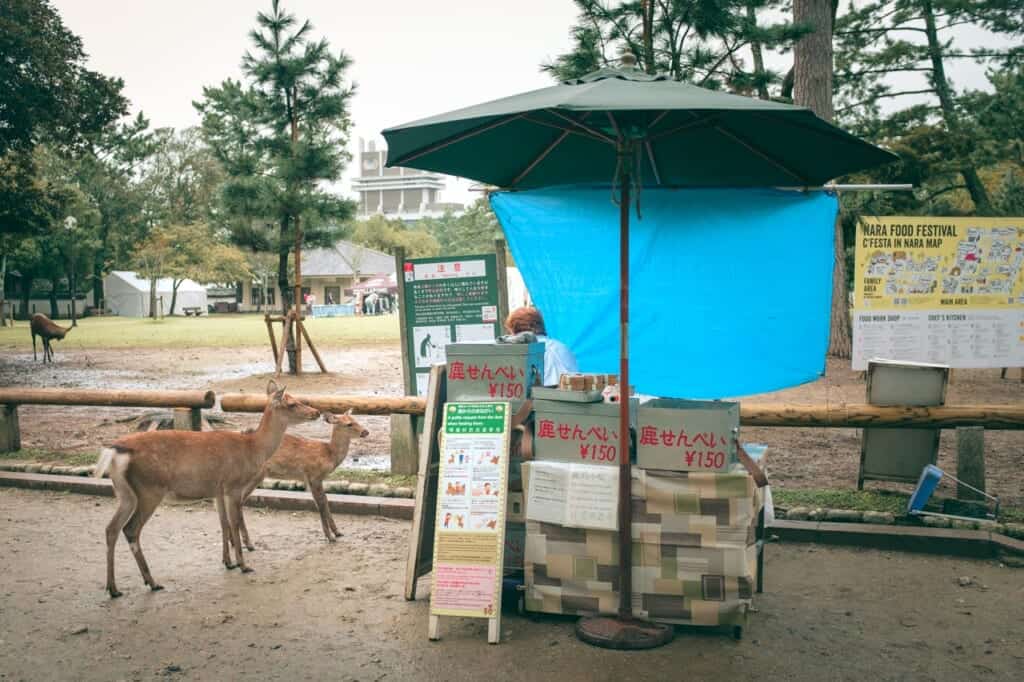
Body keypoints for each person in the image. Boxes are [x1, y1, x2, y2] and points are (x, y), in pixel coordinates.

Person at [504, 306, 578, 387]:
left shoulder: (525, 351)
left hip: (542, 397)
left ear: (515, 331)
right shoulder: (561, 347)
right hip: (573, 395)